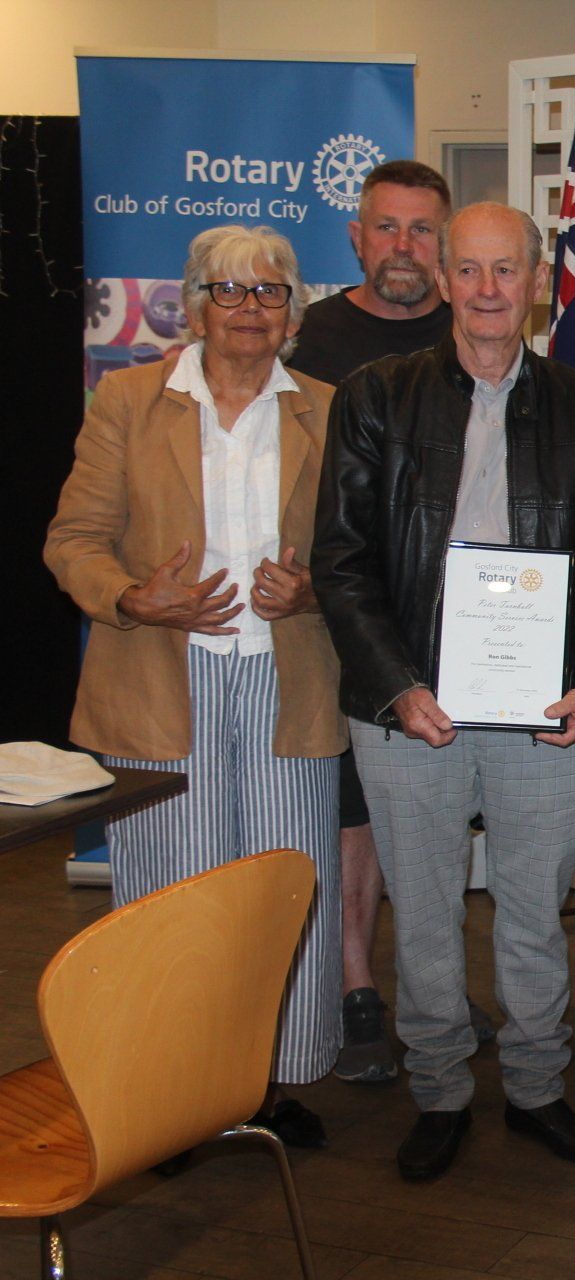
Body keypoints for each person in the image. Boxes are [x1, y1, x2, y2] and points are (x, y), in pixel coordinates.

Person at [312, 202, 575, 1181]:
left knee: (535, 910)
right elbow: (342, 561)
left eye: (507, 270)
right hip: (413, 709)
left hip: (539, 716)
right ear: (444, 279)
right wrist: (398, 684)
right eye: (470, 270)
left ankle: (535, 1088)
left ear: (538, 281)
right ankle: (440, 1089)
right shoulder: (373, 395)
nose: (488, 289)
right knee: (429, 911)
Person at [45, 224, 344, 1147]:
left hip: (288, 681)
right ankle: (171, 1095)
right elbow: (72, 541)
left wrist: (313, 589)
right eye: (229, 290)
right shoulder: (131, 401)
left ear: (294, 312)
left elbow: (364, 553)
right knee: (172, 898)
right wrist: (138, 597)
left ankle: (267, 1086)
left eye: (268, 292)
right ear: (191, 304)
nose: (249, 309)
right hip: (159, 685)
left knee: (282, 890)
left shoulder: (332, 408)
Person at [283, 158, 470, 1086]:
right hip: (332, 622)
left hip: (454, 635)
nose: (404, 247)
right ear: (355, 237)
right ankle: (357, 981)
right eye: (385, 228)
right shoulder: (308, 337)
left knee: (435, 819)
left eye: (422, 230)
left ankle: (433, 988)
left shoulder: (471, 331)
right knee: (351, 810)